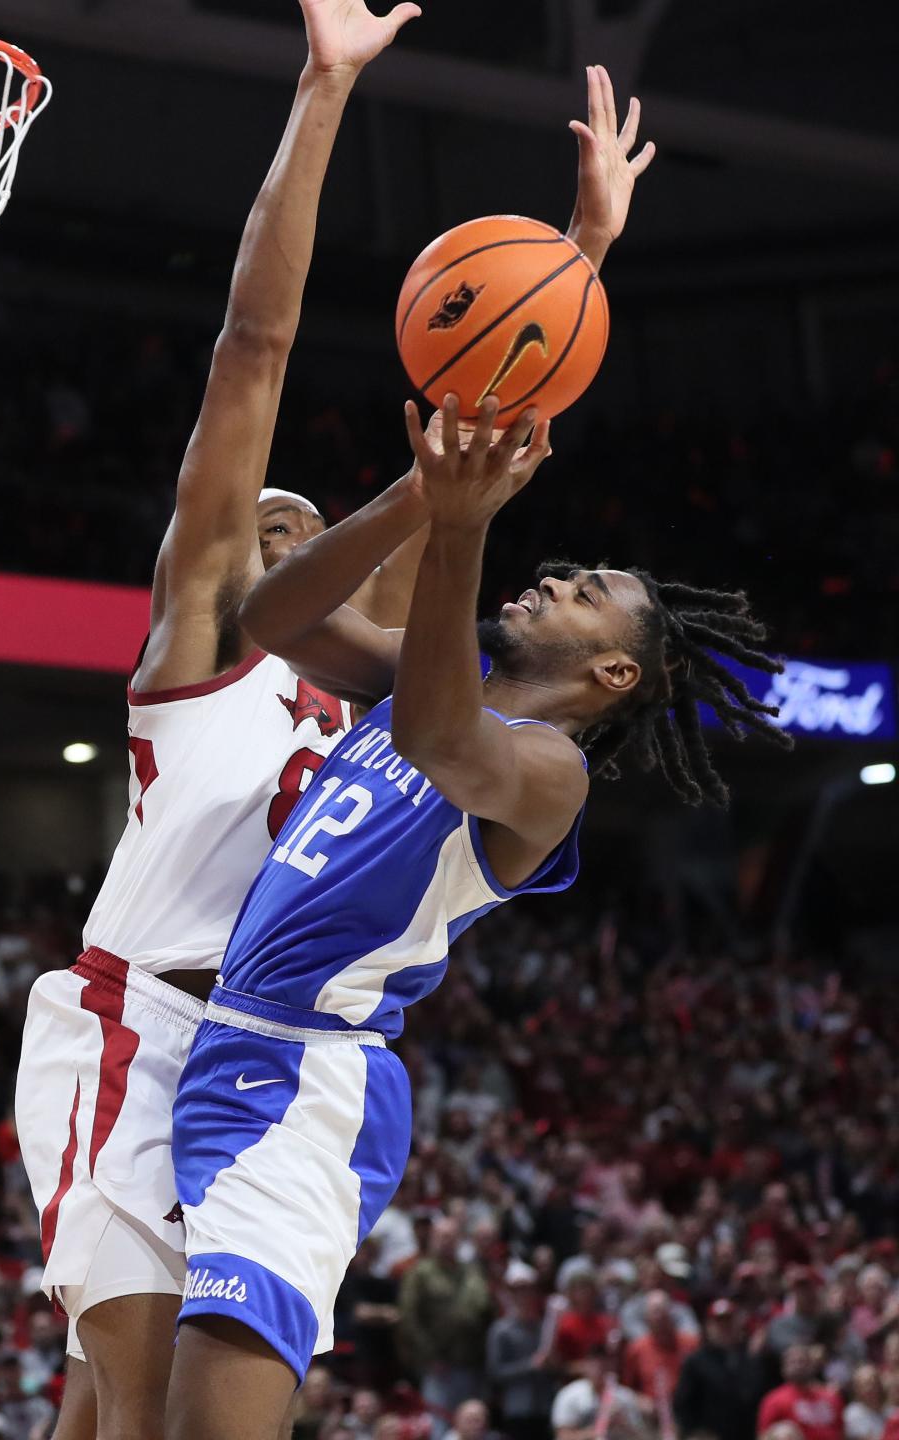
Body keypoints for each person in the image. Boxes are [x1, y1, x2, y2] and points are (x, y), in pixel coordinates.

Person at [163, 201, 795, 1440]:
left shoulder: (549, 768)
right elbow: (278, 619)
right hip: (226, 1055)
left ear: (616, 675)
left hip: (303, 1082)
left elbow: (438, 740)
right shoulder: (426, 668)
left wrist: (463, 529)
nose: (558, 576)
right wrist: (418, 496)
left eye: (590, 592)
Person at [11, 3, 428, 1439]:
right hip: (138, 1023)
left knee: (138, 1411)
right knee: (132, 1401)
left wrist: (584, 259)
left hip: (280, 1057)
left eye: (305, 521)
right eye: (258, 516)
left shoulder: (390, 695)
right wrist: (323, 88)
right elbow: (253, 347)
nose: (277, 515)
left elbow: (487, 435)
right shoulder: (204, 652)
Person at [397, 1217, 493, 1436]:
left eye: (450, 1237)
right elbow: (409, 1318)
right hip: (438, 1366)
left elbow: (484, 1308)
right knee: (440, 1425)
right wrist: (429, 1356)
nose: (445, 1242)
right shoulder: (420, 1273)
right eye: (440, 1236)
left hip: (471, 1361)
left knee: (471, 1425)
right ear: (431, 1239)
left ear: (459, 1240)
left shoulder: (471, 1272)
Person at [674, 1299, 768, 1440]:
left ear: (739, 1324)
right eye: (719, 1323)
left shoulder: (754, 1360)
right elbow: (682, 1406)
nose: (725, 1328)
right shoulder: (695, 1362)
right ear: (708, 1327)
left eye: (729, 1322)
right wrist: (695, 1433)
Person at [486, 1261, 557, 1440]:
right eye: (518, 1290)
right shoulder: (501, 1330)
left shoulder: (544, 1327)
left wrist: (553, 1364)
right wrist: (530, 1365)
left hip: (545, 1408)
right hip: (517, 1410)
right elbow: (496, 1372)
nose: (524, 1295)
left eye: (527, 1290)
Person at [551, 1347, 649, 1440]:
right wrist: (595, 1431)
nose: (600, 1370)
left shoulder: (624, 1397)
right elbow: (563, 1436)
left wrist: (622, 1423)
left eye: (605, 1366)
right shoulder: (570, 1395)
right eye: (596, 1365)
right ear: (586, 1366)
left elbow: (640, 1437)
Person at [757, 1345, 844, 1440]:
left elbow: (841, 1432)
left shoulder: (831, 1397)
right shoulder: (774, 1400)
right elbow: (764, 1435)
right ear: (783, 1369)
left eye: (802, 1361)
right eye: (792, 1362)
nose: (798, 1366)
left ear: (812, 1366)